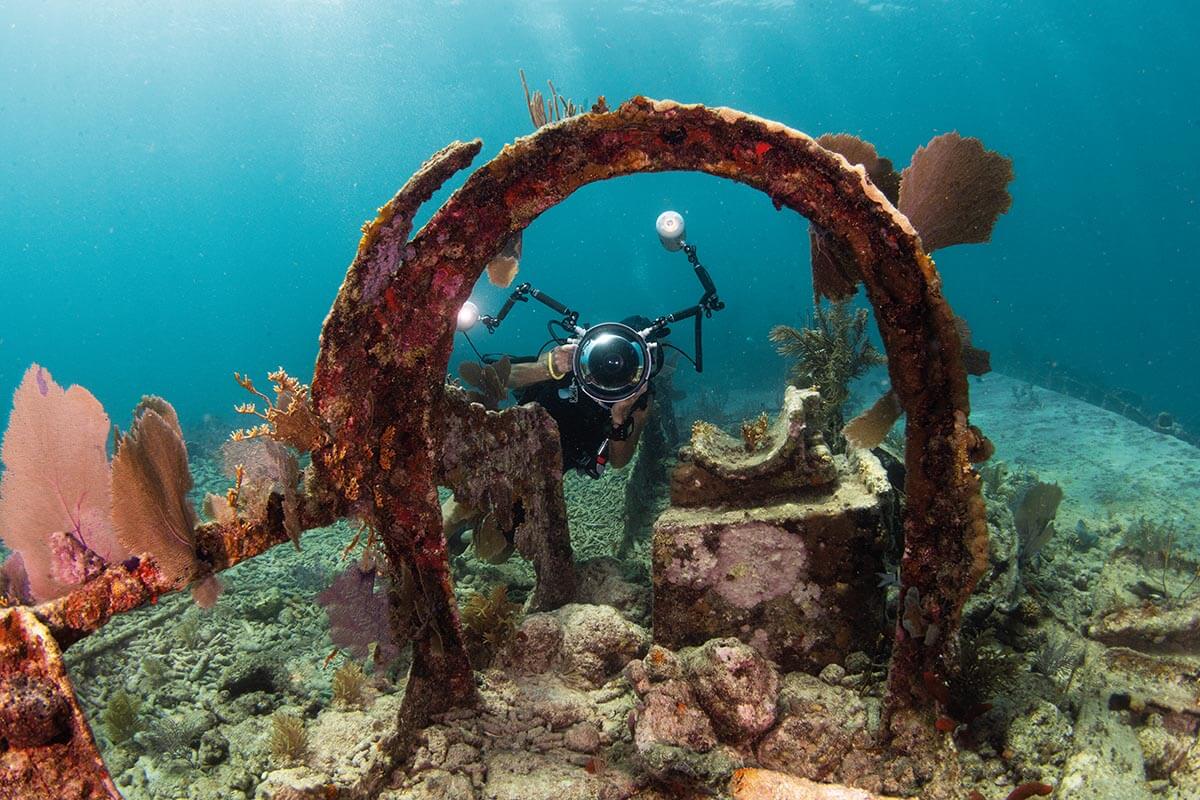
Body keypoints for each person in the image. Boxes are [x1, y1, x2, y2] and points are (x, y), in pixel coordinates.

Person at [443, 315, 656, 561]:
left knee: (497, 554)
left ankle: (464, 538)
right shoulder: (575, 361)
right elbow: (506, 378)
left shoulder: (639, 400)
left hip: (547, 475)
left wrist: (620, 419)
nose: (615, 365)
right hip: (513, 445)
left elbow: (620, 462)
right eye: (613, 352)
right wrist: (548, 367)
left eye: (628, 361)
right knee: (460, 506)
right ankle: (419, 560)